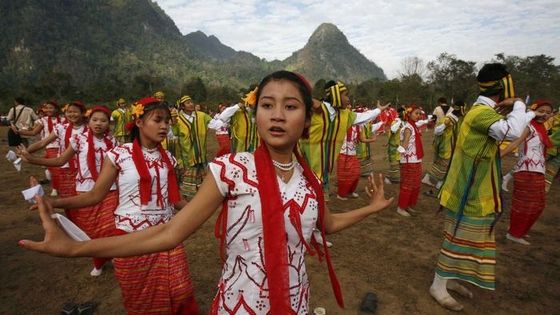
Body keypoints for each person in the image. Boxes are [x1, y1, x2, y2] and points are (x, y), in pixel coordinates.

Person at [19, 71, 394, 314]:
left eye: (290, 106)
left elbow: (325, 224)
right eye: (267, 105)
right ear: (257, 115)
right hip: (240, 305)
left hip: (296, 302)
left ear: (307, 120)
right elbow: (169, 232)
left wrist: (371, 209)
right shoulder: (231, 169)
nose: (277, 115)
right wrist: (77, 248)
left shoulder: (309, 179)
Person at [23, 97, 198, 314]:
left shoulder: (169, 159)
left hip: (166, 234)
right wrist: (54, 202)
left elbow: (174, 198)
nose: (164, 126)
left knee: (179, 291)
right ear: (139, 122)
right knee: (140, 298)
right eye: (158, 120)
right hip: (129, 235)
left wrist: (202, 207)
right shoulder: (119, 155)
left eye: (167, 122)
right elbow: (95, 195)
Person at [430, 63, 535, 311]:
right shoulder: (480, 113)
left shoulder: (483, 113)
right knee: (457, 236)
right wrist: (520, 104)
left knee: (466, 237)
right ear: (504, 87)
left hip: (475, 189)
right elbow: (512, 130)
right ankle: (438, 285)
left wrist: (527, 113)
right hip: (468, 189)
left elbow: (508, 136)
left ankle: (450, 278)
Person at [18, 106, 118, 276]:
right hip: (84, 190)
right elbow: (60, 160)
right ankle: (98, 258)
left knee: (109, 227)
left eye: (103, 120)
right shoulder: (78, 140)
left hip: (111, 190)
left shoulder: (114, 142)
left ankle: (112, 255)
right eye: (95, 120)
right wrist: (32, 159)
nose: (98, 123)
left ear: (109, 123)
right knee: (91, 230)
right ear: (89, 121)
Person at [299, 80, 387, 198]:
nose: (348, 99)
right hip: (302, 167)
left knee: (319, 202)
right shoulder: (314, 109)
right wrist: (307, 101)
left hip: (324, 171)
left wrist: (378, 110)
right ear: (335, 94)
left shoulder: (345, 114)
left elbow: (363, 117)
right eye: (345, 95)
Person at [500, 100, 554, 245]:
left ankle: (518, 230)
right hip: (527, 171)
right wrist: (498, 156)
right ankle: (514, 233)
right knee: (526, 205)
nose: (545, 115)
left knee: (538, 204)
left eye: (548, 113)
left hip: (537, 171)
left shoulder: (541, 128)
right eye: (542, 111)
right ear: (535, 110)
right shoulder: (529, 126)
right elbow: (515, 143)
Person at [24, 101, 88, 199]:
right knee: (68, 198)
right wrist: (26, 152)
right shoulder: (61, 128)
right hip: (66, 168)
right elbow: (43, 142)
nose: (71, 114)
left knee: (83, 198)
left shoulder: (90, 128)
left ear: (83, 113)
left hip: (85, 168)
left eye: (75, 112)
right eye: (69, 112)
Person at [16, 101, 64, 196]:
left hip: (63, 147)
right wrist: (19, 132)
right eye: (47, 108)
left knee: (62, 169)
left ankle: (61, 187)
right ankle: (55, 188)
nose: (48, 110)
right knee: (54, 169)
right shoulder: (43, 120)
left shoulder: (63, 120)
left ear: (57, 109)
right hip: (50, 147)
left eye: (51, 108)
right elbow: (34, 132)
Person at [173, 95, 213, 200]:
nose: (191, 104)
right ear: (182, 106)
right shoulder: (178, 119)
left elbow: (214, 123)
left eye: (191, 102)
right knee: (188, 185)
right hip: (187, 156)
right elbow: (175, 134)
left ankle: (201, 200)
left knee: (202, 181)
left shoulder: (201, 116)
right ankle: (189, 204)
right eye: (188, 103)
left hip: (201, 155)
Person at [424, 100, 466, 197]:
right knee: (442, 167)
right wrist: (445, 124)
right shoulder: (449, 118)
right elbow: (437, 131)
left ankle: (440, 186)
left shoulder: (459, 118)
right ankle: (434, 184)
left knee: (449, 167)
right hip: (446, 147)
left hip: (454, 146)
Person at [396, 105, 429, 217]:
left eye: (419, 113)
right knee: (408, 184)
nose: (418, 115)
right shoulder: (408, 128)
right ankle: (401, 207)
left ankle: (408, 205)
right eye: (416, 113)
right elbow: (405, 142)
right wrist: (401, 151)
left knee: (415, 184)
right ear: (409, 114)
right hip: (409, 161)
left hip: (415, 160)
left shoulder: (413, 126)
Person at [422, 97, 454, 189]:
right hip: (448, 136)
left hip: (438, 136)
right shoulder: (452, 109)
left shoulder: (437, 109)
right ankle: (438, 179)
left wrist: (429, 126)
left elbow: (433, 120)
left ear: (439, 102)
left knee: (437, 157)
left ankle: (433, 177)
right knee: (445, 158)